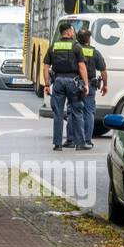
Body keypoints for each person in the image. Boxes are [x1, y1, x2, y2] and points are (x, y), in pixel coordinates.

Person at [41, 21, 88, 152]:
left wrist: (46, 84)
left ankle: (58, 144)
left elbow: (45, 66)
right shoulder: (76, 46)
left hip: (58, 81)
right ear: (67, 32)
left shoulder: (53, 46)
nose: (73, 32)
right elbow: (82, 67)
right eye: (72, 30)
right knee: (77, 112)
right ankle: (80, 143)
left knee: (58, 114)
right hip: (73, 81)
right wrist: (86, 84)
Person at [76, 28, 108, 148]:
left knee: (74, 111)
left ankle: (74, 138)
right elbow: (103, 71)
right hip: (90, 84)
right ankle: (88, 139)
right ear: (88, 39)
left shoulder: (75, 50)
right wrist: (105, 85)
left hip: (77, 84)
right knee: (89, 112)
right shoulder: (95, 52)